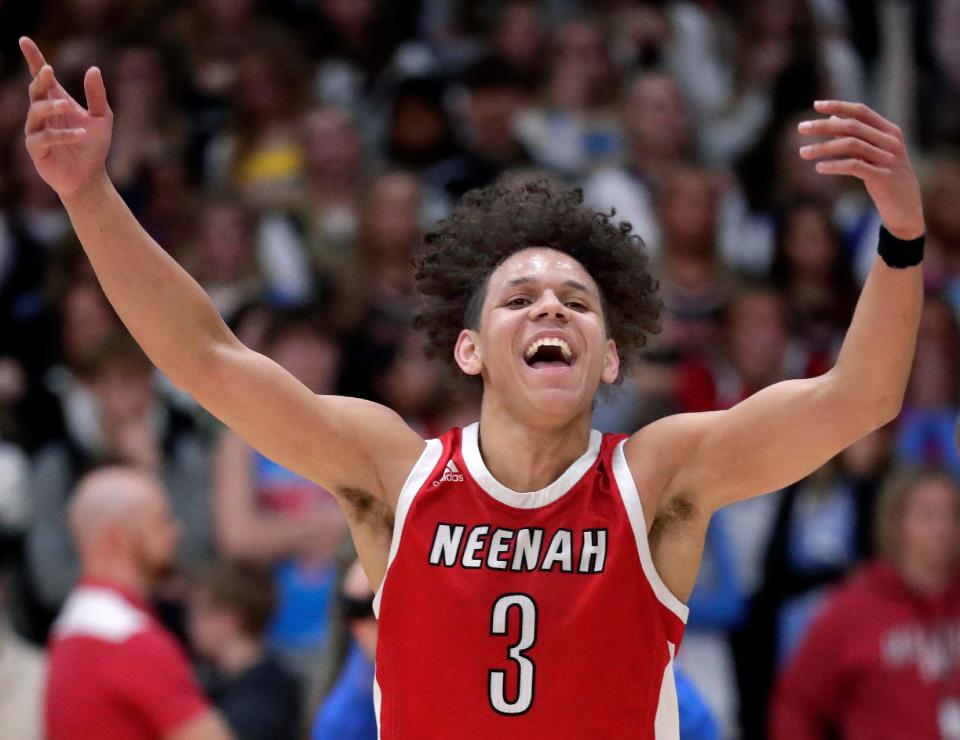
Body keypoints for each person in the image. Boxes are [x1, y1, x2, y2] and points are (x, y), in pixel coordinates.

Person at [18, 34, 926, 738]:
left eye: (578, 301)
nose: (551, 312)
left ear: (610, 357)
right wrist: (90, 196)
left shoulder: (658, 479)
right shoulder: (394, 472)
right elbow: (206, 358)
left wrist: (900, 238)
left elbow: (860, 399)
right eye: (519, 299)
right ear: (469, 351)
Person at [44, 465, 233, 740]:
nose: (175, 533)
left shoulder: (69, 631)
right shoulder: (128, 640)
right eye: (161, 521)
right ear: (115, 538)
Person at [770, 468, 960, 740]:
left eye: (953, 514)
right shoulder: (851, 608)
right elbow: (797, 705)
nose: (944, 528)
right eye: (928, 515)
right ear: (895, 523)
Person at [187, 560, 301, 740]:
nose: (191, 624)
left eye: (197, 612)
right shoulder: (219, 680)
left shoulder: (260, 700)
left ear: (227, 618)